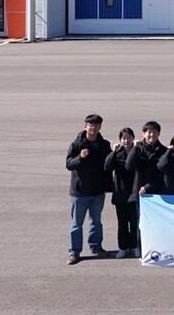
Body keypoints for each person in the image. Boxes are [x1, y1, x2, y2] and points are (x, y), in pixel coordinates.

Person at [65, 113, 111, 264]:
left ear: (100, 127)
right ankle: (74, 252)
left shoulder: (104, 145)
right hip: (80, 191)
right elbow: (69, 164)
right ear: (85, 126)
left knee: (96, 221)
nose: (93, 127)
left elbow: (108, 167)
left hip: (97, 191)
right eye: (90, 124)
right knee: (76, 224)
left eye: (96, 125)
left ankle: (96, 246)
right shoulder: (77, 145)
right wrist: (80, 158)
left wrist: (107, 186)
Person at [103, 127, 138, 258]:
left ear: (133, 138)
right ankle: (123, 248)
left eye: (129, 137)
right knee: (122, 223)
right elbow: (107, 166)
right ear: (120, 140)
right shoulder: (117, 153)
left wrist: (136, 148)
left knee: (134, 223)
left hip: (133, 193)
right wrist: (113, 151)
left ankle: (134, 247)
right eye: (124, 138)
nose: (126, 140)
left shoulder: (137, 151)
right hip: (120, 193)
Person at [126, 121, 165, 199]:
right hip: (138, 193)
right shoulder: (138, 148)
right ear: (143, 134)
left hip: (157, 194)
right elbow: (129, 166)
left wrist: (147, 187)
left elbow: (162, 174)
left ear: (159, 133)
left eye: (154, 132)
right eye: (149, 132)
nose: (152, 135)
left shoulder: (163, 151)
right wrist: (134, 148)